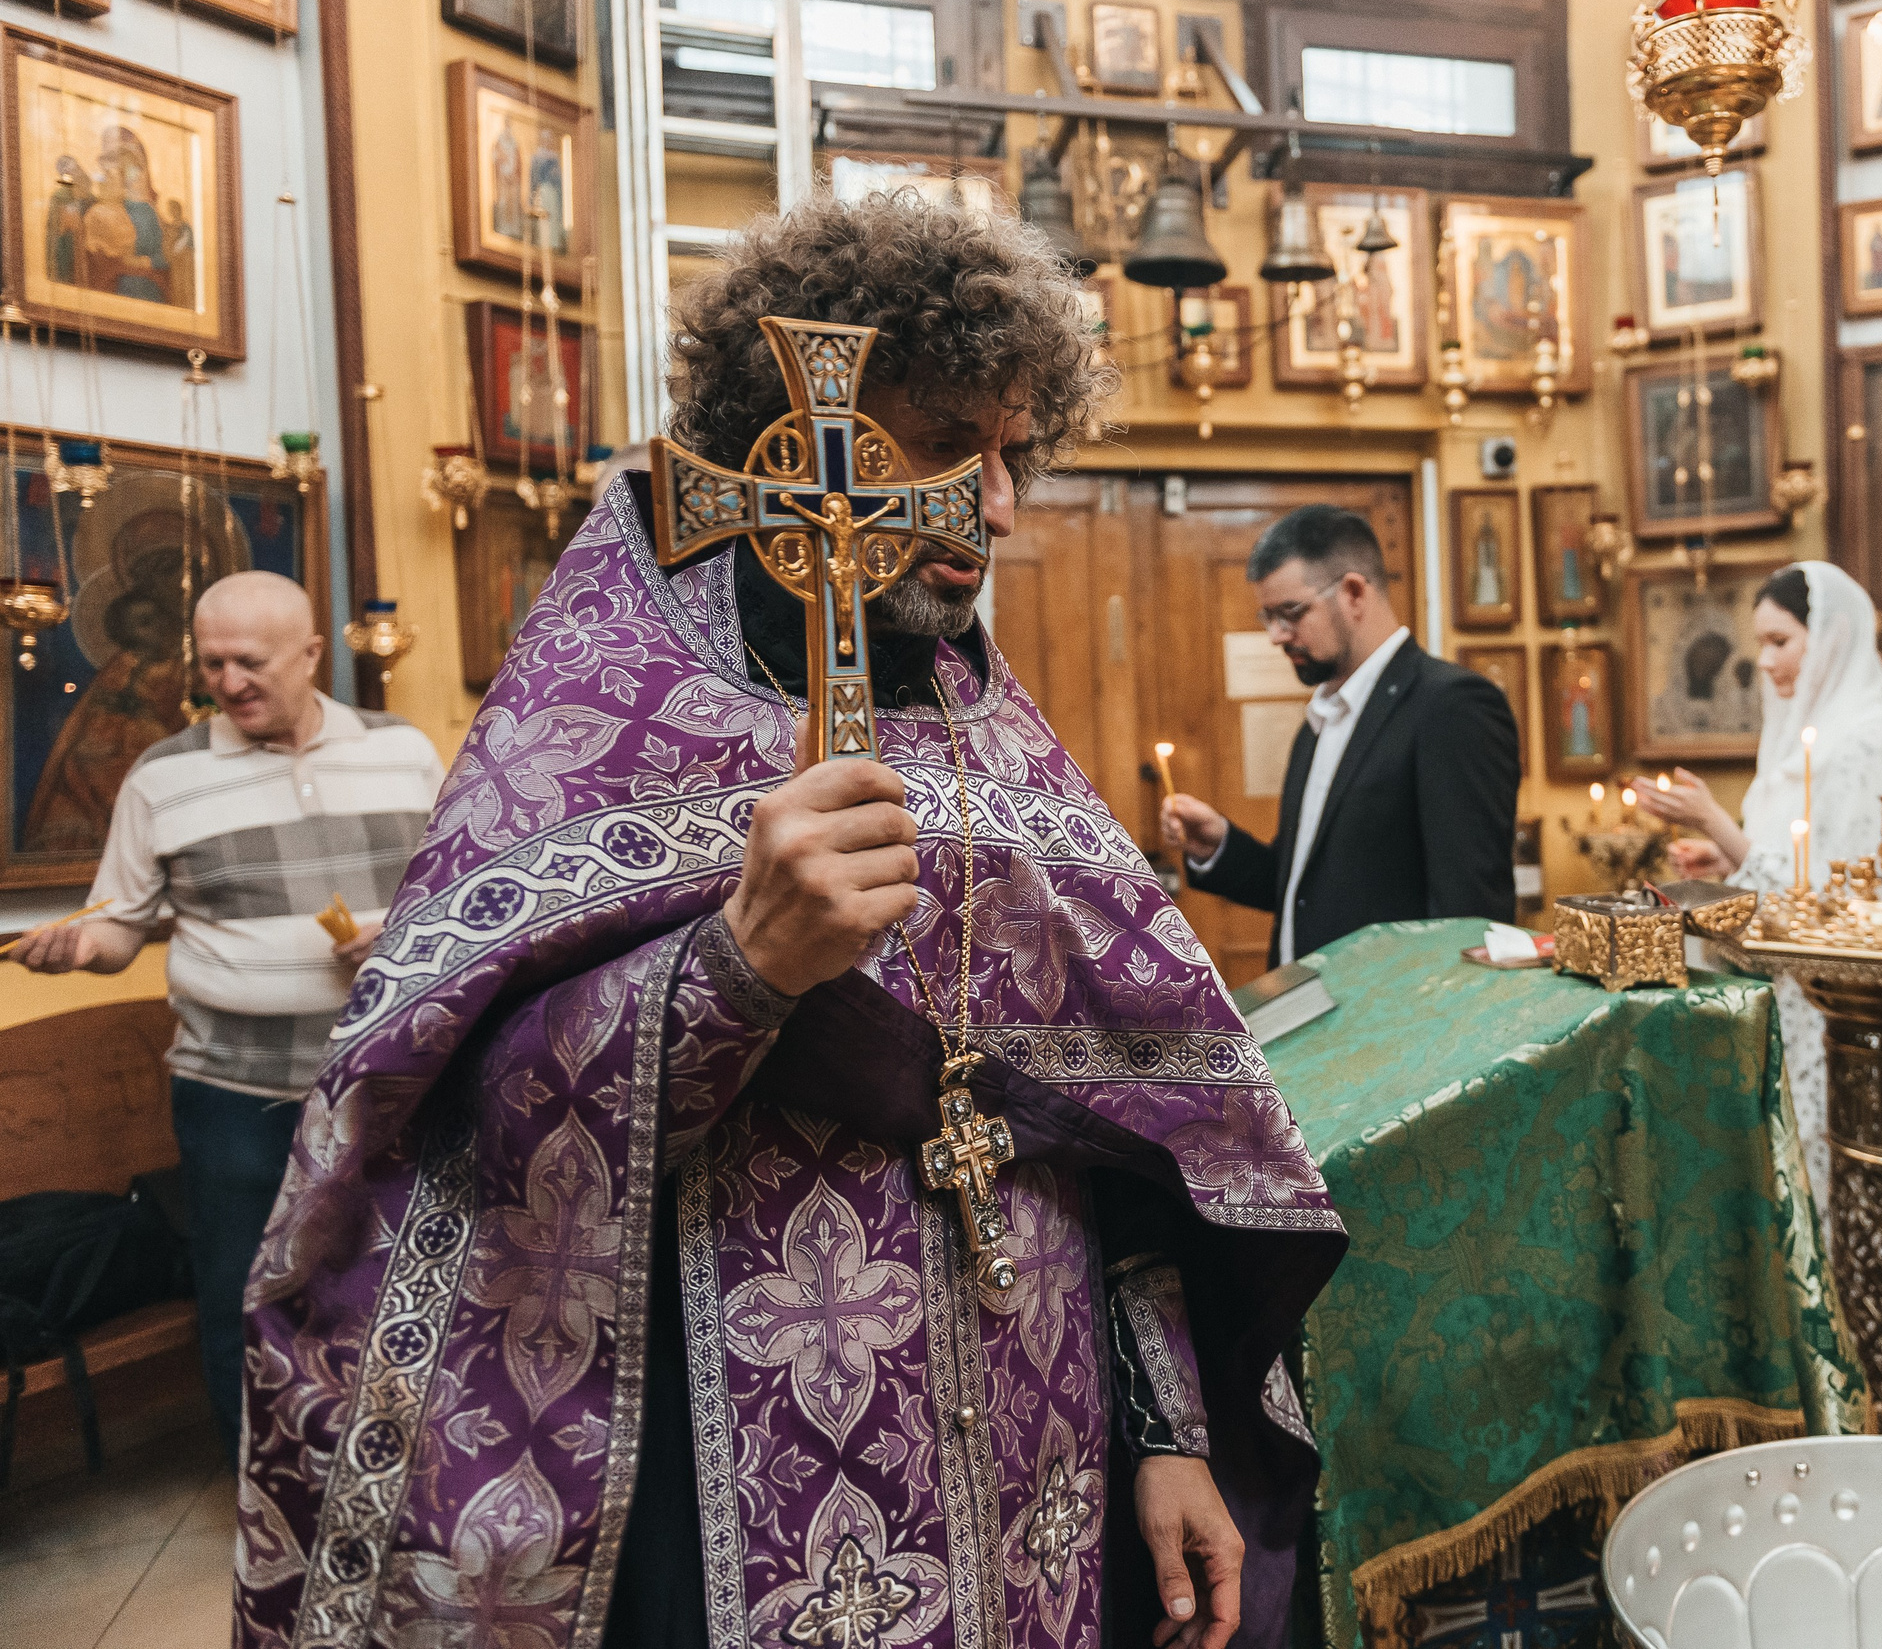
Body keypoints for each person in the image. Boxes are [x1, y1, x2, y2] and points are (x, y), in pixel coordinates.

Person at [228, 191, 1344, 1649]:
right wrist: (731, 972)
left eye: (1018, 452)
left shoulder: (992, 733)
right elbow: (454, 1139)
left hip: (1043, 1474)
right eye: (952, 443)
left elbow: (1125, 1133)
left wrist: (1169, 1426)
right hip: (731, 1501)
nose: (998, 505)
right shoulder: (595, 720)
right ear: (790, 435)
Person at [15, 570, 445, 1458]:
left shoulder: (402, 750)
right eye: (212, 663)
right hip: (232, 1098)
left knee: (389, 1284)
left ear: (310, 654)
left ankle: (388, 1478)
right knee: (244, 1298)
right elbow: (117, 926)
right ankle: (259, 1494)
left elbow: (459, 893)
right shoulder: (162, 776)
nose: (229, 680)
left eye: (250, 661)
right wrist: (73, 948)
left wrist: (404, 932)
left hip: (387, 1079)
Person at [1632, 563, 1882, 1212]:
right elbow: (1792, 857)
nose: (1764, 661)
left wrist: (1716, 820)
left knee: (1828, 1198)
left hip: (1836, 1010)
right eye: (1759, 643)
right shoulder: (1803, 737)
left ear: (1830, 637)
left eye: (1780, 641)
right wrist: (1723, 853)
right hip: (1781, 997)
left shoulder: (1873, 742)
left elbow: (1827, 904)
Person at [1162, 504, 1518, 969]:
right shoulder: (1320, 721)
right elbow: (1305, 891)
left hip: (1392, 1027)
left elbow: (1467, 915)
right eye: (1268, 617)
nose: (1276, 636)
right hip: (1307, 1014)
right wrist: (1220, 845)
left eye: (1290, 613)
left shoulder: (1451, 706)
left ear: (1352, 593)